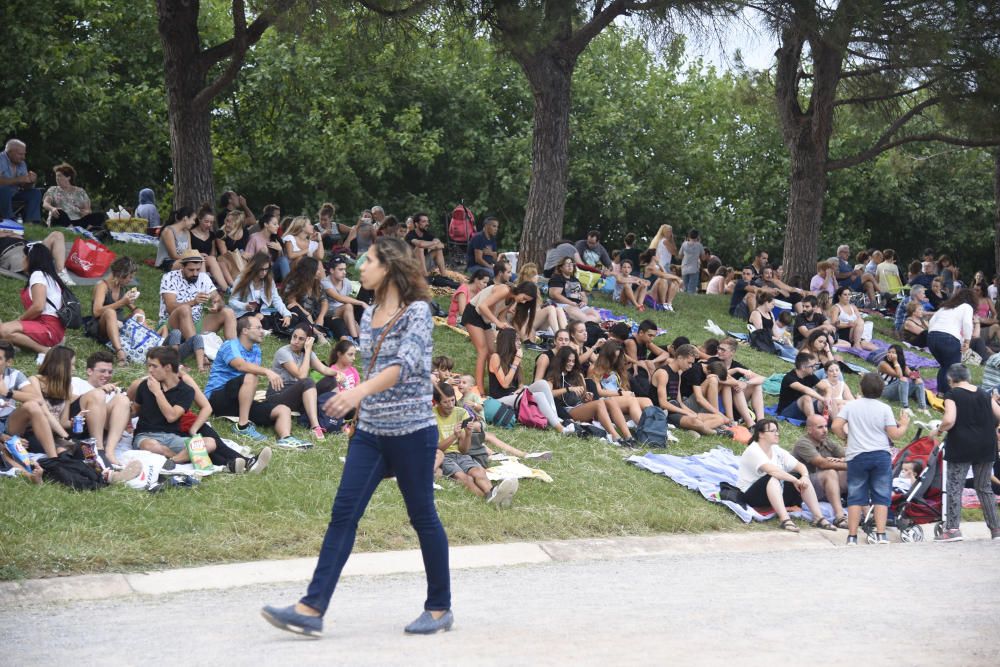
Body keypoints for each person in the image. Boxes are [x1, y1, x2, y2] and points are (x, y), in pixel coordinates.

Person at [262, 236, 454, 638]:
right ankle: (311, 608)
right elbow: (373, 371)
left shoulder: (417, 312)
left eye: (367, 261)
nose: (360, 267)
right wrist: (355, 398)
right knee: (343, 514)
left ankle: (439, 608)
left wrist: (357, 392)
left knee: (423, 518)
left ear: (389, 267)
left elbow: (403, 367)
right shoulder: (367, 317)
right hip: (370, 434)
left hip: (413, 433)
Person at [832, 373, 909, 546]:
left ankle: (852, 536)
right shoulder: (884, 409)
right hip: (880, 455)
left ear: (860, 388)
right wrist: (903, 425)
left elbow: (836, 425)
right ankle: (881, 534)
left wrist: (845, 437)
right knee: (881, 496)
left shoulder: (851, 406)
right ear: (881, 390)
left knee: (856, 496)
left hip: (857, 455)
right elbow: (894, 435)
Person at [203, 314, 300, 446]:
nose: (262, 331)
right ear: (245, 330)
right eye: (259, 328)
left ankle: (286, 438)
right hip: (218, 397)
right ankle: (242, 426)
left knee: (283, 409)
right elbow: (240, 366)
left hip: (240, 403)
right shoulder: (230, 345)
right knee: (251, 375)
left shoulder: (256, 350)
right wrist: (266, 371)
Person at [932, 363, 1000, 542]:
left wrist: (938, 430)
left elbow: (949, 419)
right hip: (986, 445)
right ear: (968, 377)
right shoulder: (985, 394)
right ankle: (996, 529)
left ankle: (953, 529)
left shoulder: (952, 394)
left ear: (950, 379)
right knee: (984, 487)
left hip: (962, 445)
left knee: (955, 485)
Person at [735, 418, 836, 532]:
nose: (777, 433)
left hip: (775, 493)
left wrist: (804, 476)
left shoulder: (776, 449)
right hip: (751, 496)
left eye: (777, 430)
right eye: (772, 431)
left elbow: (800, 466)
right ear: (761, 434)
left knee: (802, 478)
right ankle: (785, 520)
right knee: (773, 477)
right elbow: (773, 471)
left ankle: (819, 518)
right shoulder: (753, 450)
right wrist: (795, 480)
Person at [127, 346, 216, 468]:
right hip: (146, 435)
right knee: (151, 446)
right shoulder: (144, 385)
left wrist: (158, 392)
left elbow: (171, 417)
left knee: (210, 443)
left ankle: (173, 461)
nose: (150, 370)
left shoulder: (186, 391)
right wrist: (124, 407)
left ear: (168, 367)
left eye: (154, 366)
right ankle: (183, 458)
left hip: (172, 437)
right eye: (149, 366)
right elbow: (135, 410)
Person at [433, 382, 518, 503]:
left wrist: (467, 434)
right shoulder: (431, 417)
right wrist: (453, 436)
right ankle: (487, 500)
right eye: (445, 402)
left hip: (460, 454)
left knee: (479, 472)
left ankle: (492, 493)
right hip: (443, 457)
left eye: (452, 400)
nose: (450, 405)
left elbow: (464, 450)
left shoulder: (461, 413)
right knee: (464, 478)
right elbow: (436, 449)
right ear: (437, 402)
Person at [487, 327, 568, 434]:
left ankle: (555, 418)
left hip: (514, 395)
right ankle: (560, 428)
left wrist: (520, 388)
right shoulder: (495, 357)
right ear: (508, 342)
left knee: (542, 384)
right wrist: (516, 362)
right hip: (500, 399)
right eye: (516, 340)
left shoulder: (513, 357)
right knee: (538, 396)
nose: (519, 342)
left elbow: (520, 382)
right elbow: (505, 384)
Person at [463, 280, 539, 394]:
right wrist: (497, 323)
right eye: (524, 298)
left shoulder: (512, 299)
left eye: (526, 301)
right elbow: (482, 306)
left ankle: (495, 387)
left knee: (493, 353)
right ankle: (480, 391)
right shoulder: (505, 289)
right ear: (521, 290)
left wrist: (512, 331)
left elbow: (501, 318)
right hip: (473, 313)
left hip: (485, 320)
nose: (523, 302)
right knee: (483, 352)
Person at [546, 346, 633, 443]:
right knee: (599, 403)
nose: (571, 364)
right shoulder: (553, 376)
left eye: (573, 361)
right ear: (561, 361)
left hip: (581, 406)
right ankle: (615, 436)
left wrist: (586, 397)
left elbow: (583, 396)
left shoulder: (578, 375)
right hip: (568, 411)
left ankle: (628, 436)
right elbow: (548, 393)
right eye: (568, 361)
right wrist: (567, 389)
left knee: (610, 400)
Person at [269, 323, 340, 440]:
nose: (295, 341)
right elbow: (301, 376)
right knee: (307, 381)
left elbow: (324, 369)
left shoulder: (308, 354)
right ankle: (315, 427)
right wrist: (307, 351)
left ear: (308, 340)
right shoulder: (284, 352)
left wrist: (338, 373)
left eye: (301, 339)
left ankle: (334, 419)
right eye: (294, 336)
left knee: (330, 381)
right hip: (278, 395)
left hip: (297, 395)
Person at [158, 250, 237, 346]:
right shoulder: (170, 277)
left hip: (196, 324)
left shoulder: (203, 278)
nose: (195, 273)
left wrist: (217, 304)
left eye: (198, 269)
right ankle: (198, 350)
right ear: (182, 267)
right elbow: (170, 308)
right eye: (191, 270)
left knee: (228, 312)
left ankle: (234, 351)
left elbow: (218, 299)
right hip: (172, 325)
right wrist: (193, 302)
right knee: (185, 309)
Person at [0, 244, 68, 353]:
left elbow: (38, 307)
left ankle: (44, 350)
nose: (22, 260)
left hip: (48, 327)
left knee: (3, 330)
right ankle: (14, 344)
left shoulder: (38, 275)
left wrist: (19, 320)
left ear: (31, 259)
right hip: (48, 326)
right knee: (4, 329)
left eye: (24, 257)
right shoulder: (47, 276)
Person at [650, 344, 730, 436]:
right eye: (689, 362)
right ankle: (717, 433)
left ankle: (695, 430)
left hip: (677, 411)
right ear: (680, 357)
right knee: (696, 422)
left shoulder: (678, 374)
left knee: (719, 418)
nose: (691, 366)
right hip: (664, 414)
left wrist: (691, 413)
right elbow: (663, 403)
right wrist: (686, 413)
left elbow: (679, 402)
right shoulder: (663, 373)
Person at [69, 350, 132, 466]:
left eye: (110, 372)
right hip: (79, 426)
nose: (107, 375)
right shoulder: (76, 382)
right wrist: (99, 391)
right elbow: (70, 401)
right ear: (89, 371)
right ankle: (99, 449)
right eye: (102, 371)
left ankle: (109, 452)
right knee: (97, 396)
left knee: (122, 399)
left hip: (103, 429)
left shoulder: (114, 391)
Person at [0, 340, 61, 460]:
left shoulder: (14, 375)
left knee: (32, 406)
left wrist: (7, 392)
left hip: (8, 421)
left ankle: (54, 459)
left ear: (9, 362)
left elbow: (37, 399)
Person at [792, 415, 849, 528]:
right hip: (804, 488)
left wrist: (843, 460)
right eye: (820, 427)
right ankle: (839, 516)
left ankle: (865, 511)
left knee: (856, 471)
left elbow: (848, 455)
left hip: (826, 486)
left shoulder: (826, 441)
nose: (825, 430)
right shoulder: (803, 443)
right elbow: (822, 463)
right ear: (809, 429)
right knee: (830, 472)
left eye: (826, 426)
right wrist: (850, 464)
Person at [89, 256, 142, 366]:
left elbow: (132, 307)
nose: (131, 280)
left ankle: (144, 342)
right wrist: (121, 302)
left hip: (119, 323)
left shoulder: (121, 286)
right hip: (102, 326)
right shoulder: (102, 286)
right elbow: (97, 311)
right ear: (120, 275)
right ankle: (120, 352)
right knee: (110, 312)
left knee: (139, 312)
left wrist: (137, 310)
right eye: (129, 277)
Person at [927, 288, 975, 393]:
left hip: (932, 337)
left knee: (944, 366)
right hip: (949, 338)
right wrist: (967, 341)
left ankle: (941, 393)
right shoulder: (967, 307)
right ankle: (950, 395)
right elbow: (967, 324)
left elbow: (931, 322)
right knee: (953, 369)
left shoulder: (945, 307)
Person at [227, 252, 294, 328]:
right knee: (260, 318)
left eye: (266, 269)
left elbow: (276, 300)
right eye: (261, 269)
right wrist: (244, 306)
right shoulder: (242, 279)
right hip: (243, 313)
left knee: (291, 316)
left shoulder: (269, 281)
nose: (264, 272)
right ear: (254, 267)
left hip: (263, 313)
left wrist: (286, 314)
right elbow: (231, 301)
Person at [714, 337, 766, 428]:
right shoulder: (714, 361)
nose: (719, 351)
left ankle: (761, 422)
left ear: (732, 352)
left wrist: (746, 383)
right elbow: (718, 376)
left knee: (756, 386)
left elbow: (761, 378)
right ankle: (751, 424)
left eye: (723, 349)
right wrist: (736, 371)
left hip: (735, 403)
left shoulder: (736, 365)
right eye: (718, 348)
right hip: (718, 402)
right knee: (735, 385)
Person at [42, 163, 106, 230]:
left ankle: (82, 229)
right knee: (60, 212)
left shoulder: (80, 191)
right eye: (56, 176)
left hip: (77, 220)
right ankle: (76, 230)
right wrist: (52, 209)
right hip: (60, 219)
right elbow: (45, 204)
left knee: (100, 216)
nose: (57, 178)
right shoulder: (53, 189)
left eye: (60, 176)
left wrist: (86, 212)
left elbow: (88, 210)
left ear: (68, 177)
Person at [282, 257, 330, 342]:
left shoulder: (316, 283)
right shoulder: (293, 282)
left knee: (335, 320)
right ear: (309, 271)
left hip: (312, 317)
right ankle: (316, 333)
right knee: (295, 310)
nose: (320, 272)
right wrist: (307, 315)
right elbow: (292, 303)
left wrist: (321, 317)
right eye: (317, 270)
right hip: (294, 315)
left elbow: (324, 301)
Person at [321, 255, 367, 340]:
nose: (344, 272)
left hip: (342, 311)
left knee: (354, 321)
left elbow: (346, 298)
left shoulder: (347, 282)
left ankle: (363, 341)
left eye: (345, 269)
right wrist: (361, 302)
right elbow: (338, 297)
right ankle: (355, 338)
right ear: (331, 270)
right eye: (340, 269)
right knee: (348, 306)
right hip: (327, 314)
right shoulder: (325, 282)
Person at [776, 352, 829, 421]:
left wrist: (828, 397)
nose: (815, 368)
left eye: (815, 365)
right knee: (806, 398)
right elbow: (805, 390)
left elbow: (827, 387)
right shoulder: (789, 378)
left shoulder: (810, 375)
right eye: (812, 366)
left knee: (831, 401)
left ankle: (836, 426)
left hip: (804, 408)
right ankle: (814, 423)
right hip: (786, 411)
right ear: (803, 367)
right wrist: (823, 399)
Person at [547, 256, 601, 323]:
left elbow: (583, 296)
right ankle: (587, 322)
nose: (570, 265)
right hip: (565, 305)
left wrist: (584, 302)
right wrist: (570, 303)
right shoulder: (557, 278)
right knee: (584, 318)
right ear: (561, 267)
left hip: (578, 305)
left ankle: (588, 322)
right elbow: (555, 294)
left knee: (597, 316)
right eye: (567, 264)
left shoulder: (575, 280)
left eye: (571, 263)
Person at [189, 205, 231, 290]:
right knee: (205, 258)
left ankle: (226, 288)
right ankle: (204, 287)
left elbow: (212, 254)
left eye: (211, 223)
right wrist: (198, 254)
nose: (209, 225)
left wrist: (207, 257)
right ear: (200, 219)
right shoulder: (190, 233)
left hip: (207, 261)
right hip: (194, 260)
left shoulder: (212, 235)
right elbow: (188, 251)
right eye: (206, 221)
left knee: (212, 259)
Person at [0, 139, 41, 222]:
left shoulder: (22, 163)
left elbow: (24, 187)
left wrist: (30, 181)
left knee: (35, 193)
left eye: (24, 154)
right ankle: (9, 220)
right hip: (2, 194)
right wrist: (17, 179)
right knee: (5, 189)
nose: (23, 157)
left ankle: (31, 223)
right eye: (20, 154)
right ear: (10, 152)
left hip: (14, 194)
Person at [878, 344, 928, 411]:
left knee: (918, 380)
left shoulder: (902, 365)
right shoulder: (883, 364)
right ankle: (905, 408)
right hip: (884, 391)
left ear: (899, 355)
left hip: (897, 392)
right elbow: (899, 375)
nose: (890, 354)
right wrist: (895, 361)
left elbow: (911, 374)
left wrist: (916, 375)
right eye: (889, 352)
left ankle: (922, 408)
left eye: (893, 353)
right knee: (903, 379)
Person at [244, 213, 289, 281]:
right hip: (260, 271)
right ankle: (289, 288)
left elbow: (280, 262)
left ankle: (289, 287)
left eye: (277, 224)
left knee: (283, 259)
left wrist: (280, 250)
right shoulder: (254, 238)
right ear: (266, 224)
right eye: (274, 224)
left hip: (273, 272)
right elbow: (247, 258)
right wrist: (260, 255)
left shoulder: (275, 239)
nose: (278, 226)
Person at [679, 229, 704, 294]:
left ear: (689, 236)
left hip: (684, 268)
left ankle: (685, 302)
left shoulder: (684, 244)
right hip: (694, 269)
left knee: (685, 288)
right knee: (691, 289)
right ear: (697, 236)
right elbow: (703, 258)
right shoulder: (699, 245)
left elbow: (680, 256)